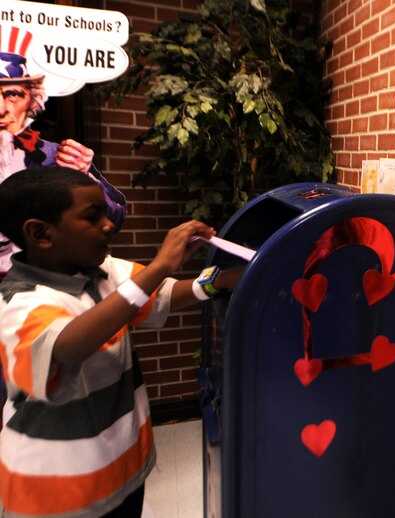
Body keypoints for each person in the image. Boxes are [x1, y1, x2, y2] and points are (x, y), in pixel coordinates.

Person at [0, 167, 239, 517]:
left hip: (121, 473)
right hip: (55, 495)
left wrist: (228, 278)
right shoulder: (17, 302)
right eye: (92, 217)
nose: (109, 225)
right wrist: (158, 267)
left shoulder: (105, 271)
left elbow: (162, 295)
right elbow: (68, 347)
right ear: (41, 233)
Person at [0, 51, 127, 274]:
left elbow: (114, 218)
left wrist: (83, 177)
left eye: (13, 95)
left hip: (41, 282)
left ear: (31, 99)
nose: (1, 110)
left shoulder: (54, 155)